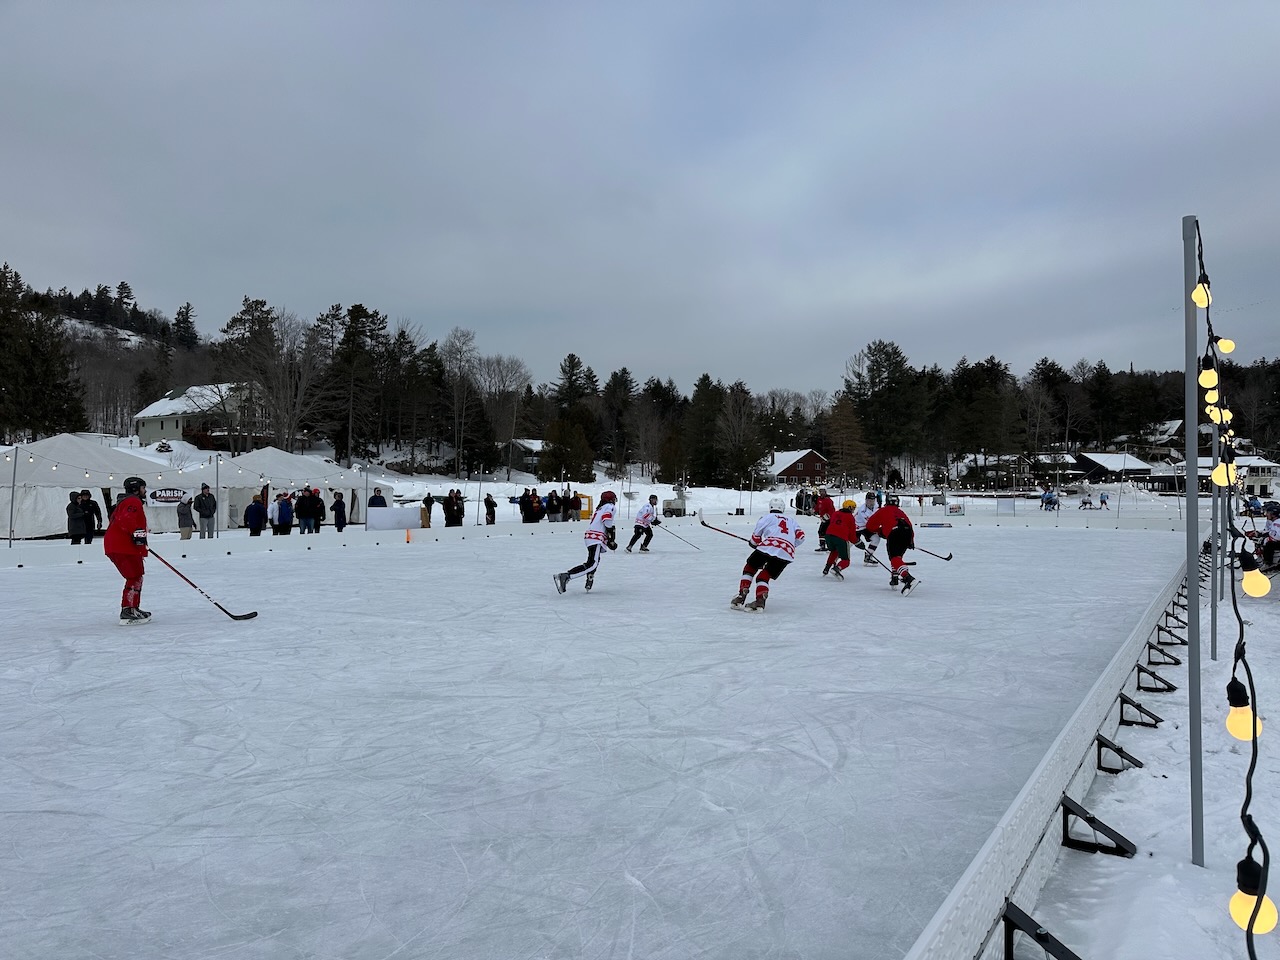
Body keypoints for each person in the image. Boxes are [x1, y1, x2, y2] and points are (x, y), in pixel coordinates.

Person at [730, 497, 805, 612]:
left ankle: (741, 595)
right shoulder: (792, 520)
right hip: (787, 552)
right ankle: (760, 601)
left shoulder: (766, 517)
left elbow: (755, 538)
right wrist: (789, 545)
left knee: (750, 568)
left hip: (768, 546)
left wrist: (754, 543)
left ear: (770, 507)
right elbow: (801, 537)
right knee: (764, 576)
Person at [104, 476, 151, 624]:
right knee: (135, 576)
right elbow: (126, 519)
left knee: (136, 575)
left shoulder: (129, 502)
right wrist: (137, 534)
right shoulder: (132, 501)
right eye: (143, 488)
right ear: (136, 489)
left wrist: (140, 539)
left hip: (122, 545)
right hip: (122, 546)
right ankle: (128, 610)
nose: (145, 491)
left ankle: (133, 608)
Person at [553, 490, 618, 594]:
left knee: (593, 560)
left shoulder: (600, 508)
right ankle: (566, 576)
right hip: (596, 536)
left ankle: (590, 578)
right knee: (592, 563)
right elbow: (607, 520)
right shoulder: (610, 506)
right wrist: (611, 537)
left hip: (590, 536)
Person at [863, 494, 917, 593]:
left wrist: (880, 531)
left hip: (895, 533)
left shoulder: (883, 510)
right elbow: (909, 525)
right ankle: (894, 578)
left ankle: (908, 578)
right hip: (907, 533)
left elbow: (870, 525)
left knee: (894, 558)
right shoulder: (900, 512)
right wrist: (911, 541)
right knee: (898, 558)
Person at [822, 499, 858, 580]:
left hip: (828, 536)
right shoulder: (850, 517)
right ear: (849, 507)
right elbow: (852, 535)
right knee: (846, 560)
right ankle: (837, 569)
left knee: (834, 551)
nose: (853, 510)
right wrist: (858, 542)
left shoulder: (836, 513)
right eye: (853, 508)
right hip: (841, 538)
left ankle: (826, 568)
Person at [854, 492, 880, 566]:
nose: (871, 502)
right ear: (866, 500)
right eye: (869, 500)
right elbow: (870, 524)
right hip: (857, 526)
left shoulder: (876, 506)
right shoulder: (862, 511)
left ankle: (868, 556)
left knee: (876, 539)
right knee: (850, 543)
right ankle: (837, 557)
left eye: (872, 500)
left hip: (865, 526)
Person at [813, 487, 835, 551]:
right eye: (820, 491)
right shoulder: (819, 499)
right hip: (823, 519)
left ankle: (827, 546)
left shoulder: (828, 500)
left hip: (829, 520)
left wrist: (826, 517)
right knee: (823, 532)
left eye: (823, 491)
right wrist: (812, 511)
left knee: (822, 532)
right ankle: (825, 545)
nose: (821, 493)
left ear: (825, 492)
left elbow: (831, 511)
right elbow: (817, 508)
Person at [1261, 502, 1280, 570]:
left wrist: (1268, 537)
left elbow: (1277, 536)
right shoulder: (1275, 522)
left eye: (1268, 513)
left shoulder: (1277, 523)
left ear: (1273, 514)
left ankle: (1268, 563)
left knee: (1269, 545)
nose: (1267, 515)